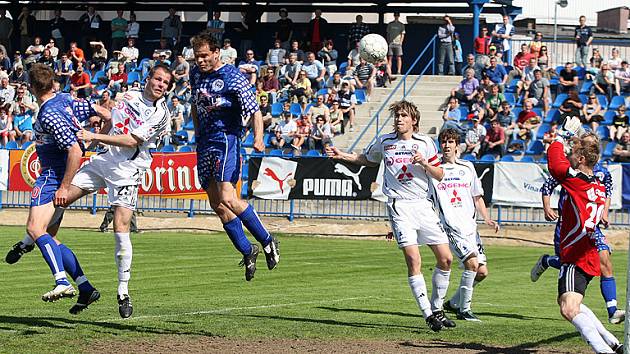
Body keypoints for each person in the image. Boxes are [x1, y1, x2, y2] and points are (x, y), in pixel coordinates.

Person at [327, 100, 454, 331]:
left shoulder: (425, 143)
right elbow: (367, 159)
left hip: (423, 206)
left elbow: (440, 174)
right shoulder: (385, 142)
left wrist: (424, 163)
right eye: (396, 116)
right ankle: (428, 314)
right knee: (414, 260)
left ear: (413, 120)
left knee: (446, 259)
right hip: (400, 206)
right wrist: (341, 155)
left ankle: (437, 309)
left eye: (404, 116)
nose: (399, 119)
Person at [4, 63, 109, 313]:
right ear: (53, 84)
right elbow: (104, 113)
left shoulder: (48, 114)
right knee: (48, 236)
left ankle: (61, 281)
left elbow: (73, 149)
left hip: (52, 176)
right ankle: (85, 287)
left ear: (30, 87)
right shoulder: (65, 99)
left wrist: (63, 187)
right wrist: (98, 136)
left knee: (35, 227)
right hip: (64, 175)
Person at [189, 31, 280, 282]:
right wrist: (197, 133)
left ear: (217, 53)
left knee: (229, 197)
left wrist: (259, 138)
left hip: (226, 140)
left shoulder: (233, 77)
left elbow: (255, 111)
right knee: (217, 205)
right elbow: (196, 105)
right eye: (197, 56)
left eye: (205, 56)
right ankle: (247, 250)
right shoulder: (195, 74)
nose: (200, 61)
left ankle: (267, 240)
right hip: (205, 144)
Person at [538, 122, 622, 353]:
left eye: (575, 155)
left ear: (583, 159)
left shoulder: (577, 181)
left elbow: (555, 164)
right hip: (588, 252)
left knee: (568, 308)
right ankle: (613, 343)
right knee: (570, 302)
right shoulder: (596, 184)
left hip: (576, 255)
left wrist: (559, 138)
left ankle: (603, 351)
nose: (571, 157)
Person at [434, 128, 499, 321]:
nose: (447, 145)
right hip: (452, 227)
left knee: (482, 272)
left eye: (450, 142)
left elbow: (476, 196)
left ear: (457, 146)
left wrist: (487, 218)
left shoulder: (467, 167)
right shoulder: (435, 169)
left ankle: (453, 304)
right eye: (444, 142)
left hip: (471, 228)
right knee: (471, 264)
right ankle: (464, 310)